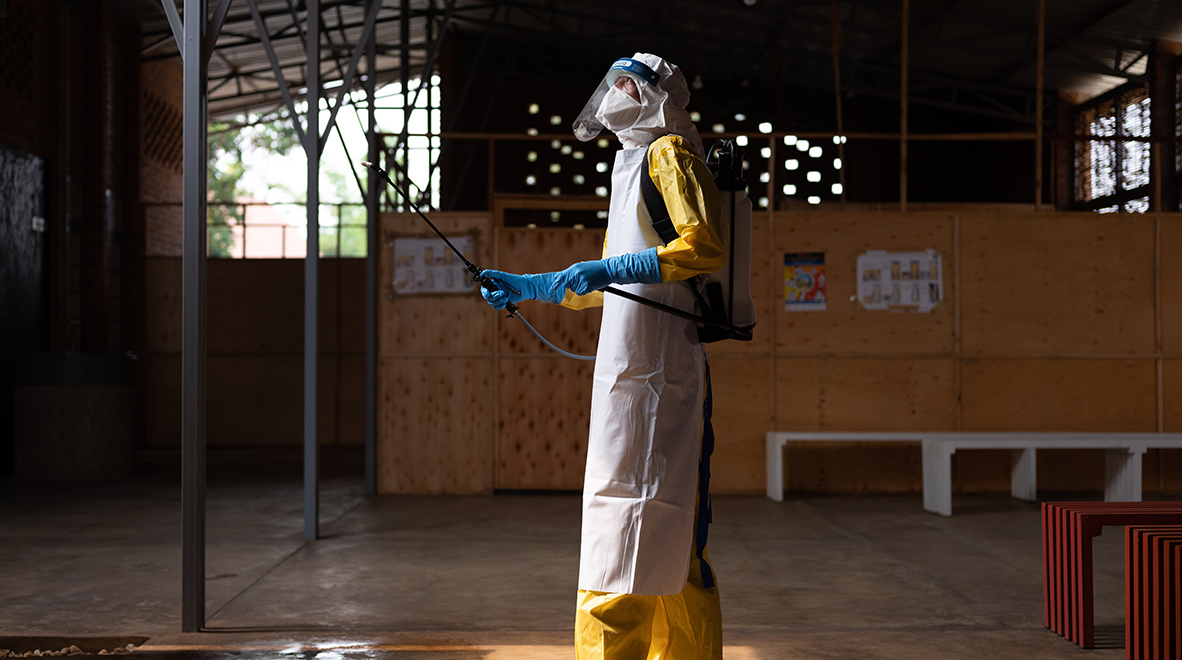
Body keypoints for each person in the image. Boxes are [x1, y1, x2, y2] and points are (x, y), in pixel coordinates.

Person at [480, 53, 726, 660]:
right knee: (652, 533)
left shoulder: (670, 153)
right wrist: (534, 285)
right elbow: (614, 280)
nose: (615, 94)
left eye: (629, 84)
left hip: (662, 369)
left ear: (655, 96)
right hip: (631, 366)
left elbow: (702, 246)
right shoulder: (631, 164)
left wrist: (609, 267)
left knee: (633, 535)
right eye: (611, 83)